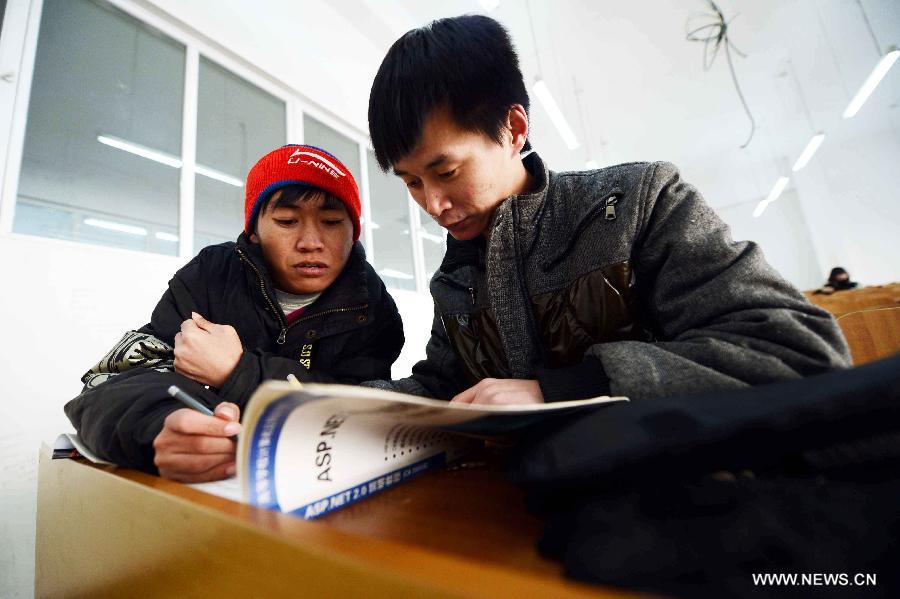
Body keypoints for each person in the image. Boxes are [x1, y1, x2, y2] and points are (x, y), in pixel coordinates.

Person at [363, 15, 850, 406]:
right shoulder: (457, 275)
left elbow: (797, 350)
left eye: (446, 172)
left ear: (513, 129)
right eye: (411, 182)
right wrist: (337, 403)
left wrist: (569, 390)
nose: (433, 204)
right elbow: (444, 389)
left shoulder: (637, 204)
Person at [65, 145, 405, 481]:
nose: (311, 242)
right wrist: (159, 426)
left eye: (331, 222)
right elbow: (107, 386)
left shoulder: (372, 307)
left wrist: (238, 372)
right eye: (287, 221)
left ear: (353, 232)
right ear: (254, 230)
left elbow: (360, 413)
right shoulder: (210, 276)